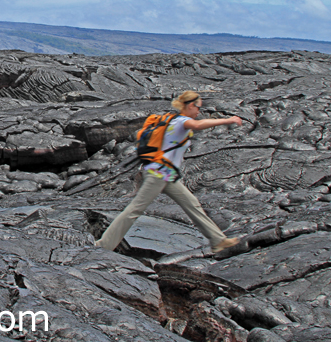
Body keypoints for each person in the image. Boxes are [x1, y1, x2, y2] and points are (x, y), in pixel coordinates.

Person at [95, 91, 242, 254]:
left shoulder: (172, 119)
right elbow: (198, 125)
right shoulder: (182, 121)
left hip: (166, 175)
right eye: (198, 107)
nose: (199, 111)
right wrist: (229, 120)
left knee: (192, 203)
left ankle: (217, 240)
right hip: (158, 174)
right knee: (135, 209)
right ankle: (103, 245)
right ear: (190, 106)